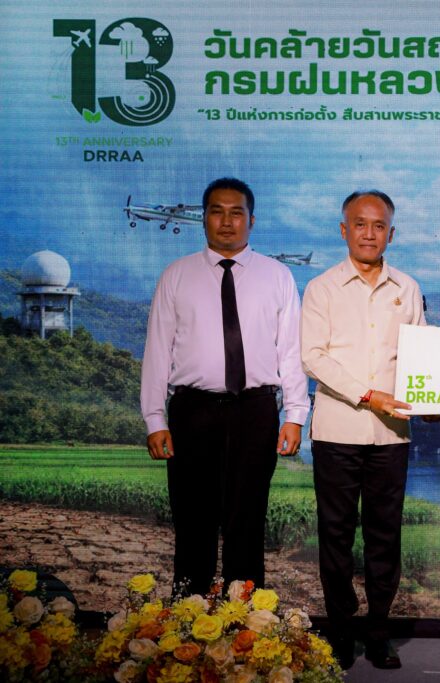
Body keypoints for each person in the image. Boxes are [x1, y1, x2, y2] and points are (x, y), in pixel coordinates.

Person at [140, 177, 309, 597]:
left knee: (247, 522)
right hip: (192, 411)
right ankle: (187, 618)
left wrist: (295, 415)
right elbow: (158, 349)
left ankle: (247, 623)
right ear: (204, 218)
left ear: (252, 220)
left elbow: (290, 350)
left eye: (237, 212)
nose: (227, 221)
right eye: (217, 211)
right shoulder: (177, 275)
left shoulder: (277, 276)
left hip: (255, 411)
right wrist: (155, 419)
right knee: (192, 523)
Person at [300, 190, 425, 670]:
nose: (369, 233)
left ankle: (378, 632)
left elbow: (420, 355)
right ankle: (340, 630)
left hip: (391, 435)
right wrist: (369, 395)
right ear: (343, 230)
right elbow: (313, 357)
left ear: (391, 233)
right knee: (335, 535)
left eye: (378, 226)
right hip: (337, 431)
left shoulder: (407, 288)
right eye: (360, 224)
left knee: (384, 536)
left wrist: (438, 394)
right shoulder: (322, 288)